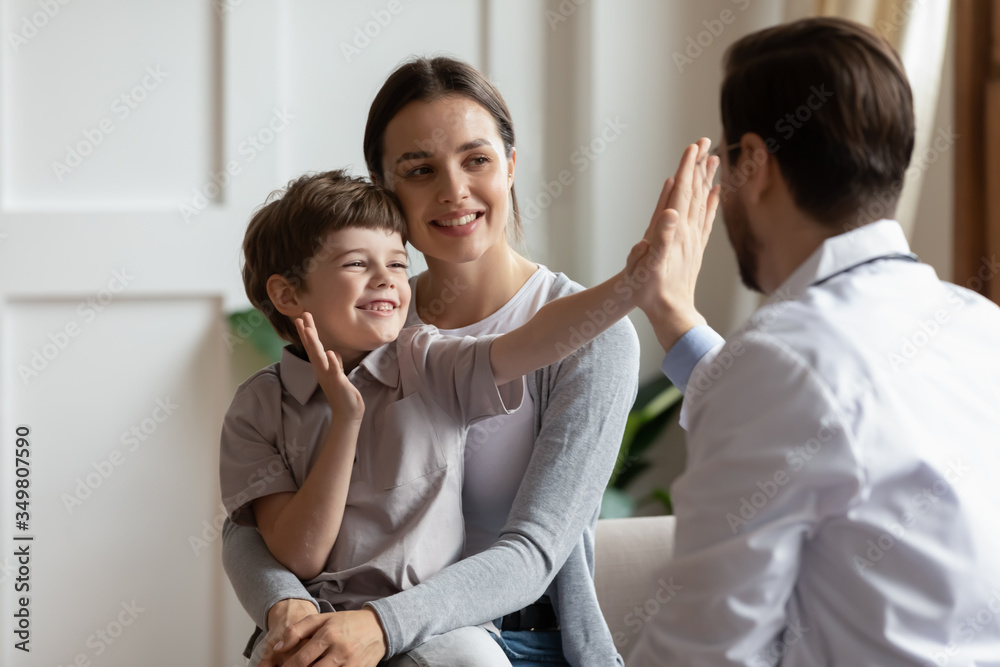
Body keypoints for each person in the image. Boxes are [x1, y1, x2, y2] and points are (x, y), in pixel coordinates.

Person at [222, 57, 718, 666]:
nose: (453, 190)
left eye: (476, 159)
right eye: (420, 169)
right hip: (357, 633)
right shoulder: (366, 321)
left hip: (521, 643)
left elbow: (535, 551)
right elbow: (256, 518)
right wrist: (286, 609)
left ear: (509, 166)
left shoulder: (588, 338)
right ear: (387, 192)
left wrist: (380, 626)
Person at [627, 17, 1000, 666]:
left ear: (755, 163)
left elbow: (704, 654)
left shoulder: (781, 359)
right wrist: (673, 315)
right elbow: (832, 429)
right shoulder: (977, 325)